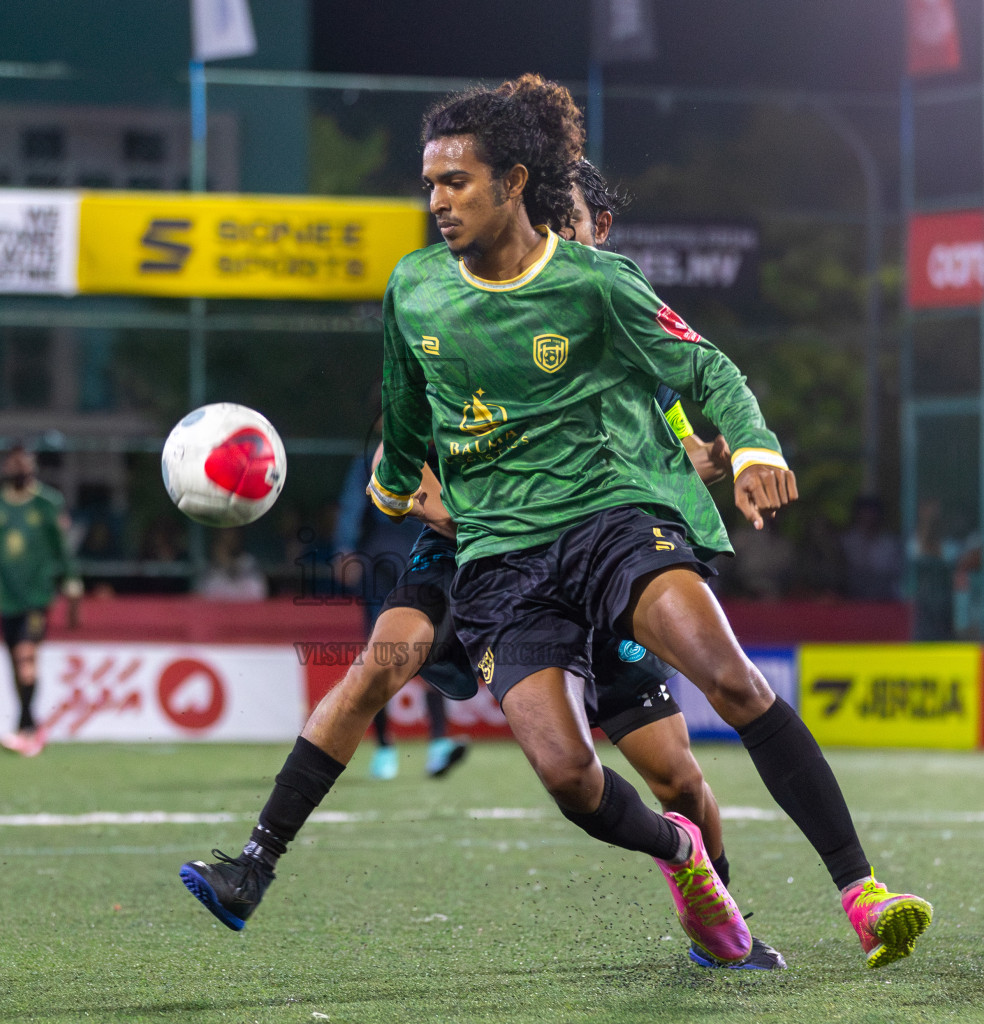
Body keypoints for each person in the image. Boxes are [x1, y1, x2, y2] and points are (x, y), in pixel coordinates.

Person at [364, 75, 927, 968]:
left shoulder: (604, 298)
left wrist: (738, 454)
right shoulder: (455, 314)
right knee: (568, 775)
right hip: (515, 564)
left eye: (579, 221)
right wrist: (422, 493)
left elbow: (691, 410)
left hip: (617, 543)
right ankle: (695, 878)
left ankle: (815, 903)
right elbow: (425, 451)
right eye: (560, 218)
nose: (571, 235)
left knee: (695, 746)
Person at [178, 158, 786, 970]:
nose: (544, 233)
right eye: (536, 214)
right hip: (473, 555)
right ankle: (253, 865)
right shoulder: (461, 310)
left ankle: (724, 919)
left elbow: (668, 452)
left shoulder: (613, 326)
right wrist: (471, 507)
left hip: (594, 560)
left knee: (676, 777)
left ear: (597, 231)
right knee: (372, 670)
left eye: (561, 218)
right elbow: (409, 465)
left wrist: (714, 461)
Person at [333, 408, 469, 780]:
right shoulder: (371, 459)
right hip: (387, 558)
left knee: (431, 646)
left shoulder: (431, 454)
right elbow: (352, 506)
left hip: (424, 554)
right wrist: (345, 549)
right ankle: (384, 749)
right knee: (383, 652)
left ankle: (437, 744)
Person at [0, 444, 82, 757]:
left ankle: (26, 730)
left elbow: (60, 547)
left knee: (26, 658)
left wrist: (72, 583)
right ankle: (30, 724)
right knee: (16, 664)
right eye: (13, 462)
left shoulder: (47, 503)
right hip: (7, 598)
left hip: (37, 596)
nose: (18, 468)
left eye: (24, 462)